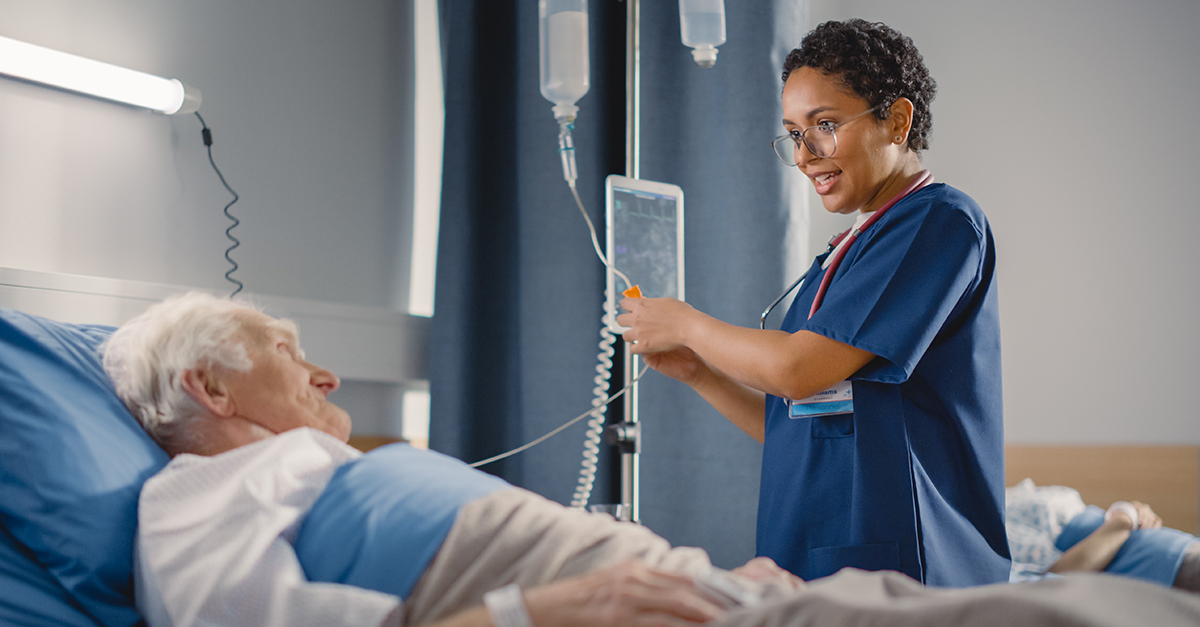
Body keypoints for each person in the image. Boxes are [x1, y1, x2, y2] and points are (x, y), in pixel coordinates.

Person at [101, 292, 1200, 627]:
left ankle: (1110, 557)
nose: (326, 376)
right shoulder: (195, 500)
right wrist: (546, 610)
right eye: (286, 354)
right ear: (207, 387)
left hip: (704, 596)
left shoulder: (315, 471)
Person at [617, 18, 1009, 587]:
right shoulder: (846, 253)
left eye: (824, 125)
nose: (805, 155)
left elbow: (797, 372)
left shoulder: (937, 223)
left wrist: (687, 322)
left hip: (903, 565)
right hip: (815, 555)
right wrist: (700, 374)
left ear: (897, 120)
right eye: (794, 133)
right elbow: (801, 422)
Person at [1006, 479, 1200, 592]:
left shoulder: (1010, 496)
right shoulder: (994, 534)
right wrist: (1123, 519)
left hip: (1159, 542)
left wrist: (1128, 510)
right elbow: (1056, 577)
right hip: (1143, 563)